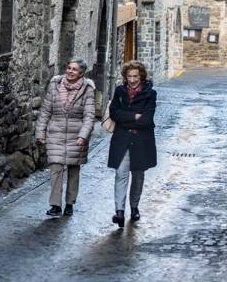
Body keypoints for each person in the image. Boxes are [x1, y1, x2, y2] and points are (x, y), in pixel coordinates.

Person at [36, 58, 95, 217]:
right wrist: (40, 132)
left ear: (81, 73)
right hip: (56, 132)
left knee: (73, 170)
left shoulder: (87, 89)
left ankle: (70, 203)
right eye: (69, 68)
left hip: (76, 135)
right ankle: (55, 205)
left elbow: (89, 116)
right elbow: (46, 111)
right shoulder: (54, 85)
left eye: (74, 69)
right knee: (56, 169)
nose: (70, 71)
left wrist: (83, 135)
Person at [107, 60, 157, 228]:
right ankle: (119, 211)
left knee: (138, 176)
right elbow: (114, 113)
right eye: (129, 76)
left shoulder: (150, 94)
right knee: (120, 174)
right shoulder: (120, 91)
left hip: (141, 141)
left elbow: (147, 120)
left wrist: (125, 117)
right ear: (125, 76)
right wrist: (134, 116)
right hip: (122, 141)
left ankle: (134, 207)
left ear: (141, 76)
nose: (132, 79)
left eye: (136, 76)